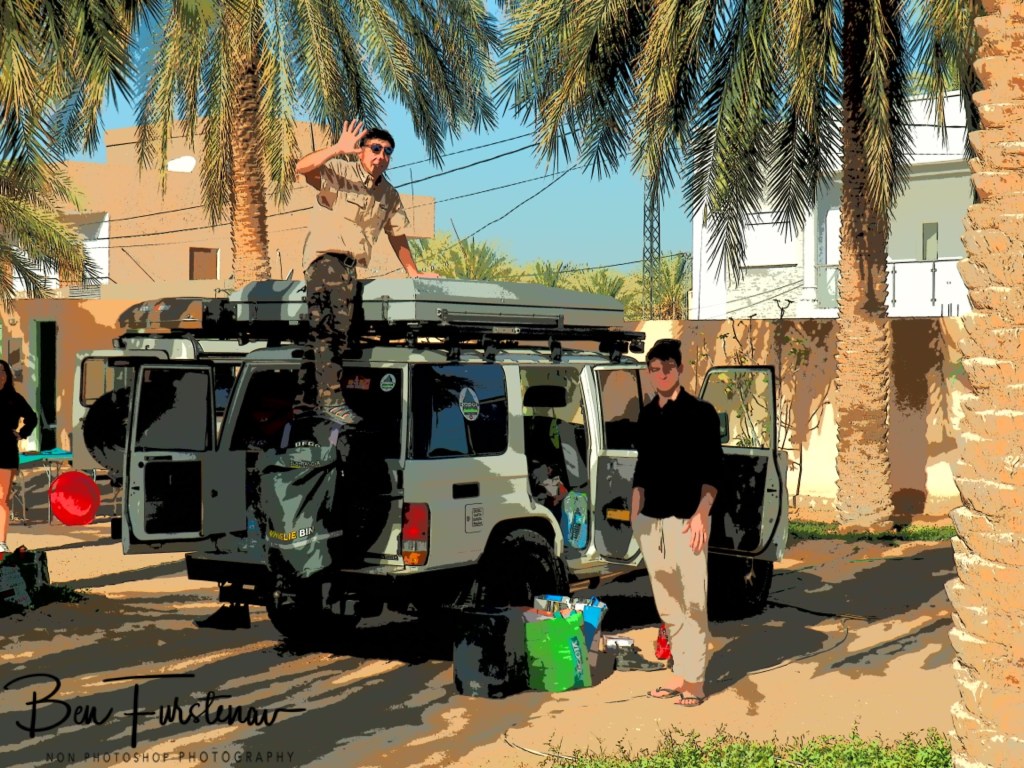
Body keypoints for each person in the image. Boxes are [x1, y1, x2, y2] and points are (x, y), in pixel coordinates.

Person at [293, 119, 438, 427]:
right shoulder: (341, 172)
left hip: (350, 268)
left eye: (387, 151)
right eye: (375, 148)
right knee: (331, 331)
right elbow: (302, 168)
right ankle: (330, 399)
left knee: (327, 335)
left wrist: (413, 272)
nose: (381, 155)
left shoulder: (388, 194)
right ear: (360, 151)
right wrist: (337, 149)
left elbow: (396, 234)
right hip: (325, 259)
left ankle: (305, 405)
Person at [631, 338, 723, 707]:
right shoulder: (647, 414)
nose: (662, 374)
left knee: (693, 602)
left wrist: (702, 514)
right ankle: (679, 673)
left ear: (679, 369)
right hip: (651, 522)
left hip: (688, 520)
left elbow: (714, 470)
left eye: (668, 367)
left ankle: (695, 682)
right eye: (655, 369)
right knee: (668, 604)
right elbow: (641, 468)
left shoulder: (701, 413)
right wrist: (636, 515)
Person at [0, 358, 38, 553]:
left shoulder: (14, 398)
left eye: (3, 372)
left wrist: (21, 433)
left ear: (7, 376)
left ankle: (1, 542)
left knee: (2, 499)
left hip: (6, 450)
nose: (0, 376)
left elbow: (32, 418)